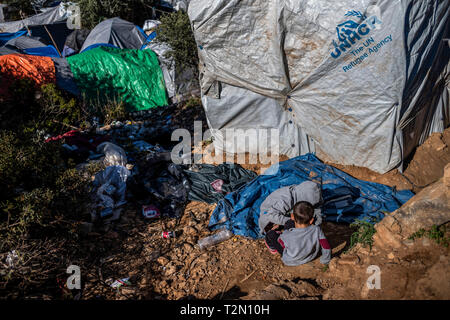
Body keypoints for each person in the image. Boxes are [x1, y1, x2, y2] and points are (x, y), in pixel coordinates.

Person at [264, 201, 331, 266]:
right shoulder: (317, 229)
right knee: (289, 224)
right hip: (309, 257)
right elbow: (326, 246)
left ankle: (273, 249)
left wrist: (280, 234)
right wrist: (325, 260)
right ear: (311, 220)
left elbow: (282, 244)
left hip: (290, 261)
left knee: (271, 234)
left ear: (292, 216)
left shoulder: (287, 235)